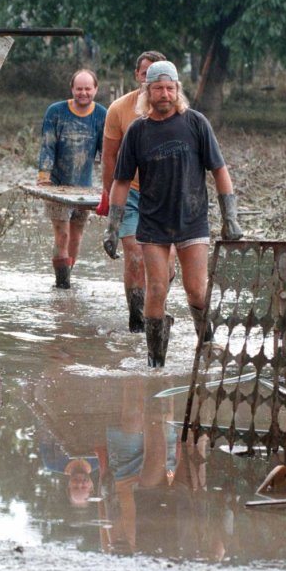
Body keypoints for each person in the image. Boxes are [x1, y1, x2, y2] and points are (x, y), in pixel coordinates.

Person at [103, 61, 243, 367]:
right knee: (156, 289)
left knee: (196, 289)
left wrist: (230, 218)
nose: (164, 94)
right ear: (148, 92)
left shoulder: (195, 123)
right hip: (152, 222)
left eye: (170, 88)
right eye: (158, 88)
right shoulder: (138, 131)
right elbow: (122, 181)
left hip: (192, 219)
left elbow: (219, 170)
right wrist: (112, 227)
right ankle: (155, 361)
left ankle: (206, 345)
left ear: (177, 90)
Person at [97, 50, 168, 332]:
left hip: (165, 194)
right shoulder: (119, 109)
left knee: (167, 268)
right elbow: (109, 157)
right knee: (135, 255)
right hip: (131, 191)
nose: (149, 77)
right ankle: (137, 322)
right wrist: (110, 196)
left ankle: (156, 309)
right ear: (138, 76)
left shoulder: (174, 108)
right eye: (145, 72)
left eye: (156, 73)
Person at [38, 69, 107, 288]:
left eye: (88, 89)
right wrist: (44, 177)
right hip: (57, 185)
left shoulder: (101, 115)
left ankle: (68, 277)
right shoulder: (56, 112)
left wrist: (110, 184)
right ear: (72, 89)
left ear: (95, 89)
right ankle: (62, 285)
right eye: (79, 89)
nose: (83, 93)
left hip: (84, 188)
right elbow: (47, 145)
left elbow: (105, 152)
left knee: (77, 237)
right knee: (63, 235)